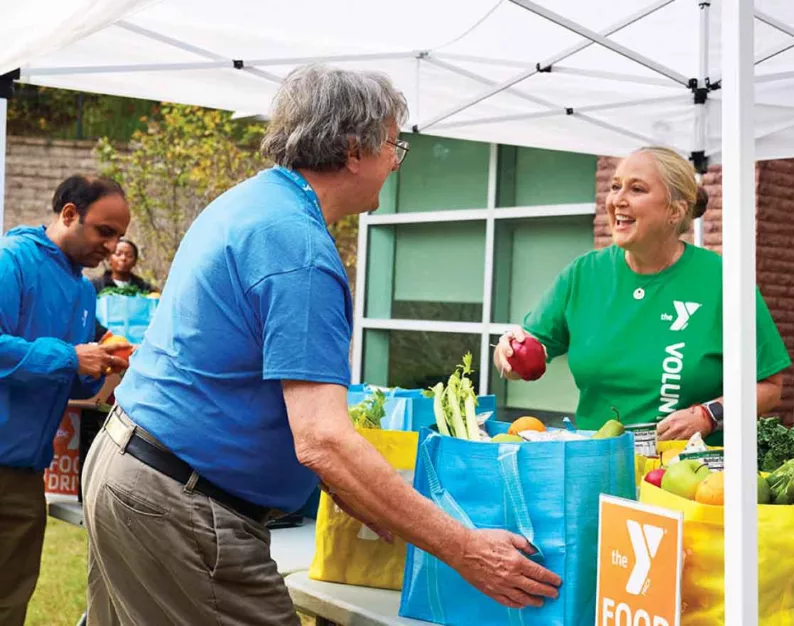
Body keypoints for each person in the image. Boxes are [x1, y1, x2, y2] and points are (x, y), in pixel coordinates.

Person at [83, 64, 560, 626]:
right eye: (392, 146)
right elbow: (323, 439)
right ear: (354, 149)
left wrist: (368, 496)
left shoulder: (255, 201)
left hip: (132, 465)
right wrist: (466, 549)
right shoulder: (299, 251)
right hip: (180, 501)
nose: (394, 163)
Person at [494, 147, 790, 446]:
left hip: (689, 479)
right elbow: (527, 350)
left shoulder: (723, 280)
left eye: (636, 189)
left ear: (675, 211)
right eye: (615, 187)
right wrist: (508, 353)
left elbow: (769, 386)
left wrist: (709, 415)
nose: (617, 200)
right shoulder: (584, 274)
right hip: (595, 464)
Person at [0, 174, 130, 626]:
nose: (113, 248)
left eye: (118, 236)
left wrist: (103, 368)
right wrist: (72, 356)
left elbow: (66, 381)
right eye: (104, 231)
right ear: (69, 214)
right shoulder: (10, 260)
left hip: (24, 472)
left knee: (11, 599)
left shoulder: (80, 290)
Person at [90, 239, 155, 294]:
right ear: (109, 258)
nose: (123, 258)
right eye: (118, 254)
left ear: (135, 261)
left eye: (129, 255)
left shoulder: (144, 288)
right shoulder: (95, 286)